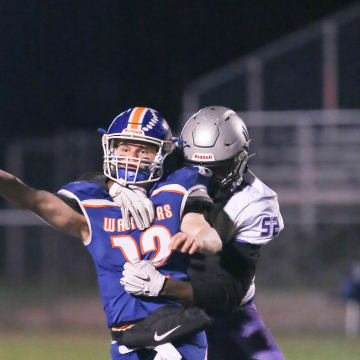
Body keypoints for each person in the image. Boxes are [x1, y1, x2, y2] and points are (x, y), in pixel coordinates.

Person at [0, 107, 225, 360]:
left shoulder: (176, 190)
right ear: (111, 149)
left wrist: (199, 240)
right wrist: (112, 187)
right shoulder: (93, 206)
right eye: (124, 148)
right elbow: (32, 199)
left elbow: (205, 232)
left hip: (179, 334)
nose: (132, 157)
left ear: (161, 154)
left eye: (143, 150)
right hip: (127, 343)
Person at [120, 106, 286, 360]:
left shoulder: (255, 202)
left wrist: (164, 285)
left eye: (217, 170)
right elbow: (99, 181)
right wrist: (117, 188)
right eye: (195, 167)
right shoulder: (168, 171)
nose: (204, 178)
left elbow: (229, 291)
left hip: (225, 313)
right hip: (162, 309)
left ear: (240, 157)